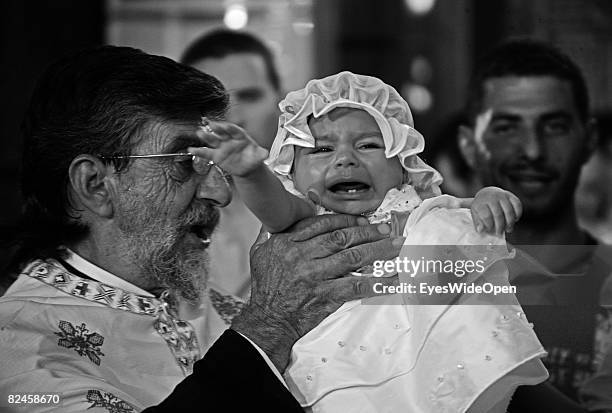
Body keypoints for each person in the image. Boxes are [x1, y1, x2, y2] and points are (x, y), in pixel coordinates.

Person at [0, 46, 403, 412]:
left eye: (215, 164)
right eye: (186, 162)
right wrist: (269, 326)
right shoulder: (20, 348)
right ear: (96, 185)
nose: (220, 194)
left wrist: (462, 229)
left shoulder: (214, 306)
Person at [191, 71, 549, 412]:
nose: (346, 159)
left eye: (368, 145)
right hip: (343, 360)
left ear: (403, 165)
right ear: (293, 174)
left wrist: (487, 198)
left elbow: (459, 212)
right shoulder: (308, 212)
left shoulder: (414, 208)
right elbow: (276, 207)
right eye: (321, 150)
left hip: (427, 350)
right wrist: (252, 172)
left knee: (451, 229)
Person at [457, 38, 612, 409]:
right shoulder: (421, 276)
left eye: (555, 126)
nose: (532, 151)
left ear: (589, 140)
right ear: (468, 145)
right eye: (507, 127)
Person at [181, 29, 283, 298]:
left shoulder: (324, 194)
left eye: (249, 97)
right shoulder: (162, 213)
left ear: (281, 101)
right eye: (213, 102)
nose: (234, 118)